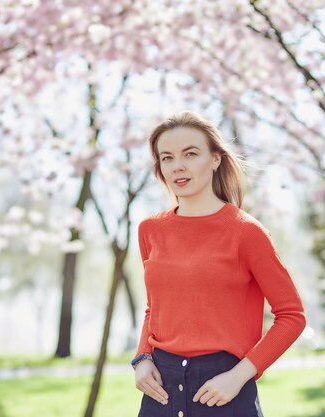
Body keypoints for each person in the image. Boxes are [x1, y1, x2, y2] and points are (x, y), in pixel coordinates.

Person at [131, 111, 307, 417]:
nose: (178, 166)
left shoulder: (247, 232)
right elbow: (155, 308)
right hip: (160, 390)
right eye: (167, 157)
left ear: (215, 159)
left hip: (225, 390)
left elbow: (291, 316)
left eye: (190, 154)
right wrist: (142, 357)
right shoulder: (150, 229)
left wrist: (240, 376)